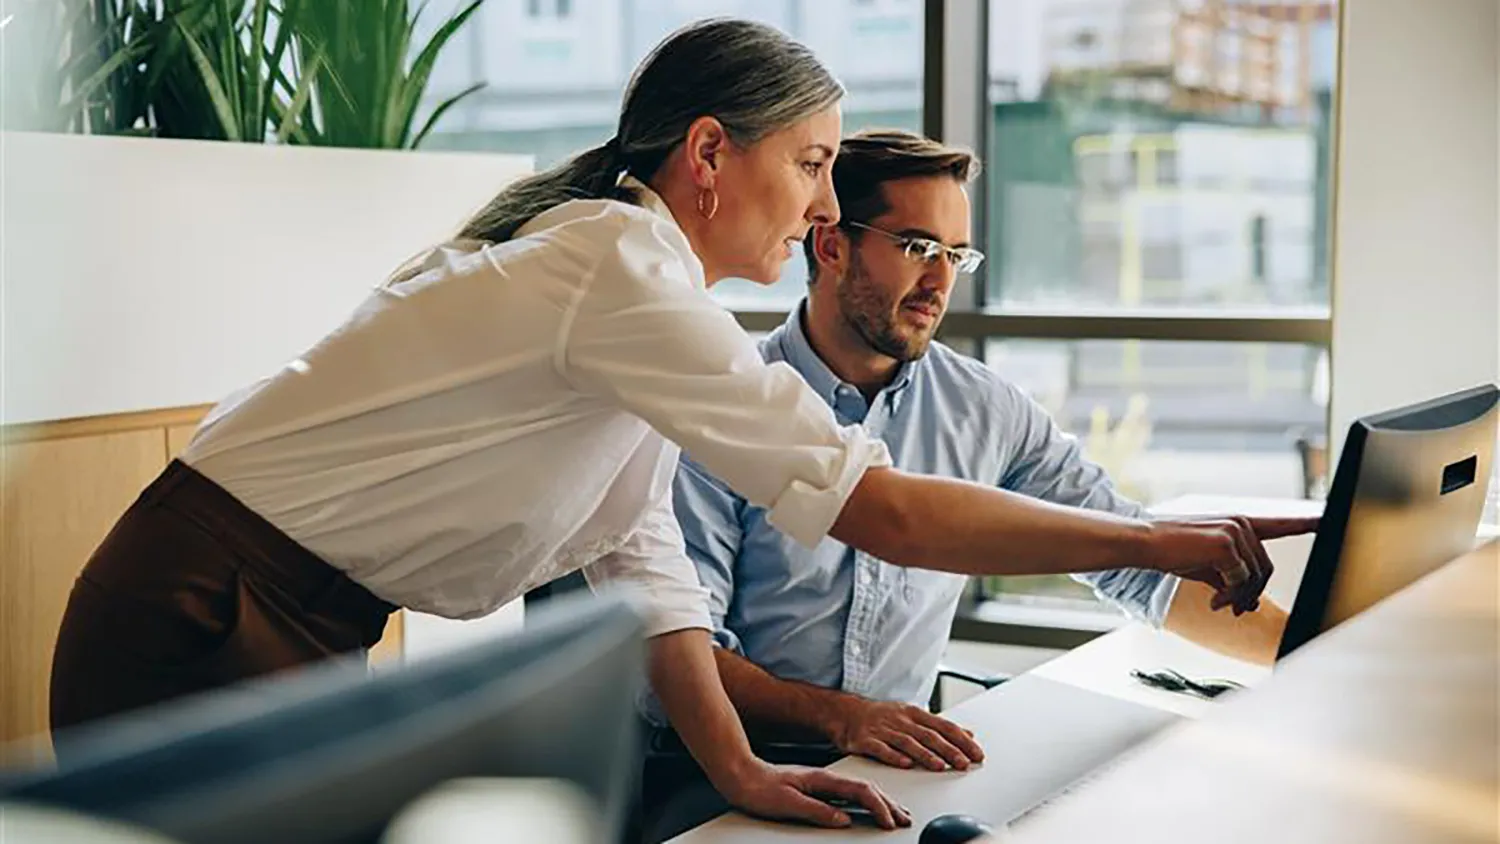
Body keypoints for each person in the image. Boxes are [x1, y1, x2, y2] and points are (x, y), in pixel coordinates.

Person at [49, 18, 1296, 833]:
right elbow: (883, 510)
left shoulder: (645, 306)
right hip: (204, 606)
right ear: (711, 153)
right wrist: (1182, 544)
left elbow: (645, 572)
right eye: (811, 166)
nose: (820, 207)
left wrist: (746, 773)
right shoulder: (620, 272)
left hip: (287, 613)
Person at [655, 131, 1295, 793]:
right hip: (722, 772)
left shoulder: (985, 410)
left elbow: (1139, 568)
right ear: (831, 245)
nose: (940, 282)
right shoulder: (722, 409)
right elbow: (681, 648)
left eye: (955, 255)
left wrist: (1310, 657)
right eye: (918, 248)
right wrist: (844, 718)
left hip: (894, 771)